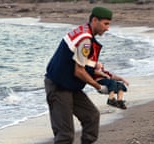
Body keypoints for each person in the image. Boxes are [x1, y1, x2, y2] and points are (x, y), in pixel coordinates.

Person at [44, 7, 113, 144]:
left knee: (91, 116)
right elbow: (79, 71)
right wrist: (99, 87)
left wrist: (97, 71)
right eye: (105, 24)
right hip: (58, 86)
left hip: (69, 84)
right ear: (94, 20)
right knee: (65, 135)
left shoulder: (84, 31)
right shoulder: (86, 41)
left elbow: (79, 63)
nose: (107, 28)